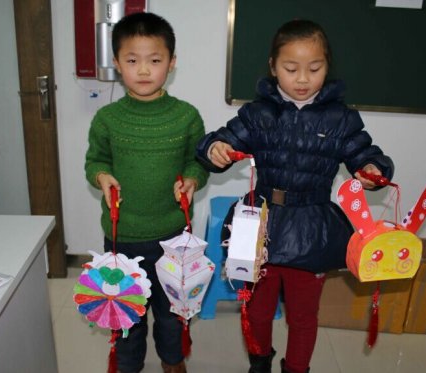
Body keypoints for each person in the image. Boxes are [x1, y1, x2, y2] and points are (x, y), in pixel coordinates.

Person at [196, 19, 394, 373]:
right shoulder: (258, 114)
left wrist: (374, 171)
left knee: (303, 315)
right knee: (256, 309)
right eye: (291, 69)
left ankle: (296, 368)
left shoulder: (340, 119)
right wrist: (216, 148)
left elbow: (365, 154)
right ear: (273, 67)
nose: (302, 79)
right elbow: (221, 140)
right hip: (261, 226)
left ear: (327, 67)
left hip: (311, 228)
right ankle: (259, 362)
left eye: (314, 68)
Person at [85, 12, 208, 373]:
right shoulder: (107, 119)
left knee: (171, 312)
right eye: (132, 60)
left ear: (171, 64)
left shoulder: (186, 116)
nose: (143, 70)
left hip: (172, 237)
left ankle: (173, 363)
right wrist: (102, 176)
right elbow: (95, 161)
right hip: (121, 238)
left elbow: (196, 162)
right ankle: (127, 367)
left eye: (154, 61)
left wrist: (191, 178)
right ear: (117, 63)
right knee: (126, 315)